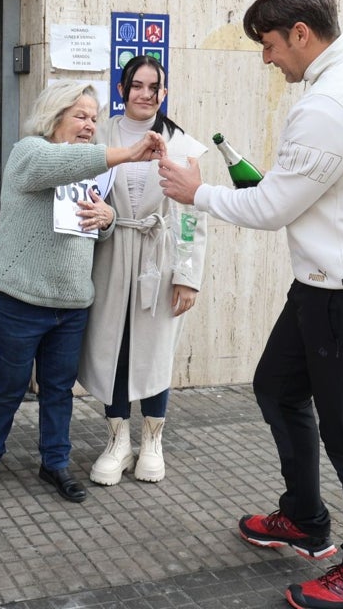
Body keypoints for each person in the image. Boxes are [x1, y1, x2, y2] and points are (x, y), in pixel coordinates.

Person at [158, 0, 343, 609]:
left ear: (302, 33)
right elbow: (308, 186)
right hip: (327, 288)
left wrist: (195, 193)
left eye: (270, 44)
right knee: (276, 386)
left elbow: (274, 206)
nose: (267, 58)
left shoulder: (330, 103)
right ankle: (305, 520)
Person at [0, 82, 165, 504]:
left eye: (94, 118)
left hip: (70, 302)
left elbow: (97, 227)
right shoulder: (29, 153)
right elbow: (65, 162)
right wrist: (127, 152)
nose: (90, 125)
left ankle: (54, 462)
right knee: (7, 385)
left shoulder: (95, 165)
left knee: (58, 390)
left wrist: (107, 218)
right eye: (81, 116)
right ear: (55, 116)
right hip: (17, 296)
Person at [78, 55, 207, 486]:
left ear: (163, 93)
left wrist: (188, 276)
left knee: (154, 349)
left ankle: (152, 441)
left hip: (159, 256)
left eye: (154, 87)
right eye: (137, 85)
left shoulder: (183, 145)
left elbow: (191, 216)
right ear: (122, 88)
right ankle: (118, 441)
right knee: (113, 346)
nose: (145, 94)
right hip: (111, 253)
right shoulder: (101, 134)